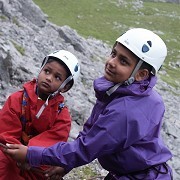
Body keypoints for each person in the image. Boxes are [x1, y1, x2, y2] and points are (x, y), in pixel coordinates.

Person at [5, 28, 173, 180]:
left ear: (141, 74)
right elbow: (90, 131)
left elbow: (86, 148)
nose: (111, 62)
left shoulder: (126, 111)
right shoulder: (126, 92)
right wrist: (67, 163)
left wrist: (31, 155)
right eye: (113, 54)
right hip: (133, 172)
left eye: (123, 61)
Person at [0, 50, 80, 180]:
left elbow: (52, 143)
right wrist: (19, 155)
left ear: (65, 87)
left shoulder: (62, 116)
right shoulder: (18, 99)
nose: (49, 78)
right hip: (10, 154)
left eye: (57, 77)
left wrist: (29, 156)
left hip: (36, 163)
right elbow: (6, 133)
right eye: (47, 71)